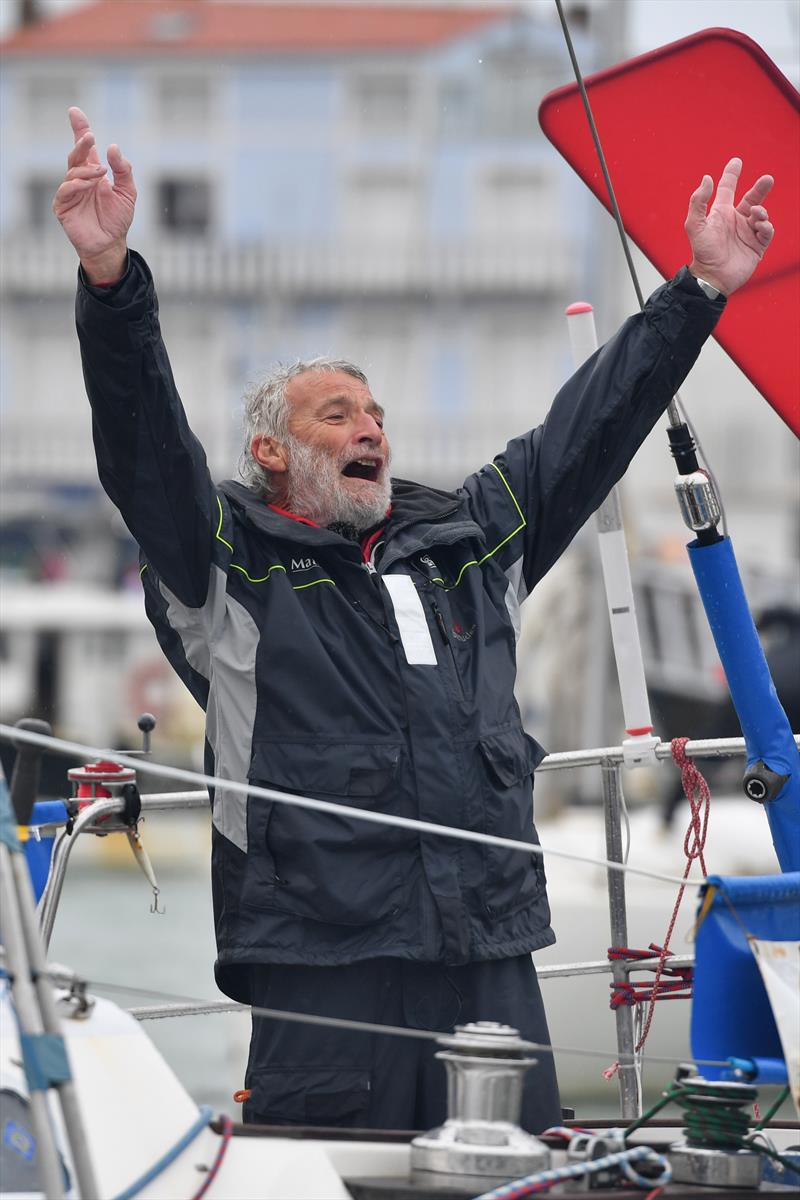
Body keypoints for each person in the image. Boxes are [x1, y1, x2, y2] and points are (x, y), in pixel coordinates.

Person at [54, 106, 774, 1133]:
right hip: (324, 956)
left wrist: (696, 290)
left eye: (376, 415)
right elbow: (141, 448)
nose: (370, 430)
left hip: (486, 944)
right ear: (272, 453)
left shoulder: (471, 538)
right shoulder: (223, 557)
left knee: (517, 1168)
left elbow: (588, 428)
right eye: (337, 415)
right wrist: (112, 282)